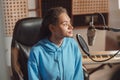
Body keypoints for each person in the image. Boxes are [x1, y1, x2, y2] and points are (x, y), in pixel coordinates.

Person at [27, 7, 84, 80]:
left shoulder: (72, 45)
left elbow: (78, 75)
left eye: (70, 22)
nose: (71, 27)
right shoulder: (37, 51)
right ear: (52, 28)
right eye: (65, 24)